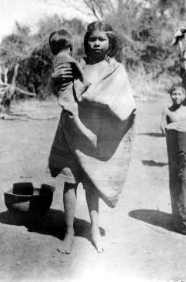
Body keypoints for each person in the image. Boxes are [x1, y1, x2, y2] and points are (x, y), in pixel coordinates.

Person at [49, 21, 136, 254]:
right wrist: (54, 79)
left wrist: (93, 101)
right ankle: (69, 232)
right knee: (70, 182)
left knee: (92, 184)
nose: (96, 43)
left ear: (110, 42)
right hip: (70, 130)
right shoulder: (78, 64)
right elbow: (60, 90)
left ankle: (95, 232)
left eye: (101, 39)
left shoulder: (115, 70)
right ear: (85, 42)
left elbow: (123, 103)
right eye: (92, 39)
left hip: (94, 134)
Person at [49, 29, 90, 115]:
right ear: (69, 44)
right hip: (70, 97)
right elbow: (80, 72)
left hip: (62, 97)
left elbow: (54, 88)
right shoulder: (66, 57)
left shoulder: (56, 59)